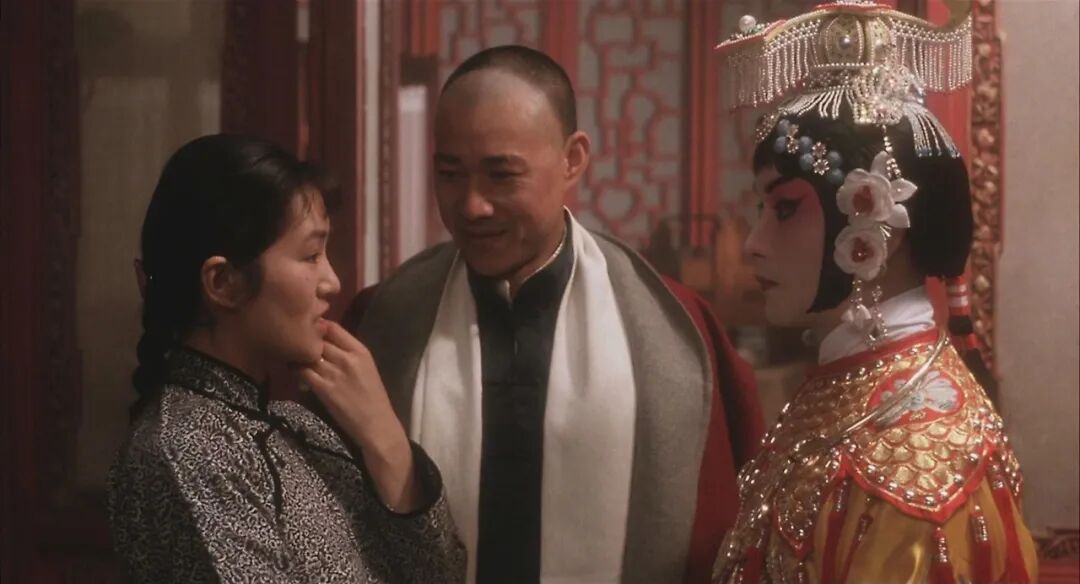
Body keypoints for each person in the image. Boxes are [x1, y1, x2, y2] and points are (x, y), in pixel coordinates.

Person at [339, 45, 764, 584]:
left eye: (501, 175)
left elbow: (730, 537)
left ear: (572, 160)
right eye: (450, 173)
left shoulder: (671, 335)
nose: (472, 205)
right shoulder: (384, 323)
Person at [711, 4, 1037, 583]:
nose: (753, 245)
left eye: (784, 209)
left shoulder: (921, 464)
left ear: (877, 223)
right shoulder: (842, 382)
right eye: (762, 208)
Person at [107, 134, 465, 583]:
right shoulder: (184, 447)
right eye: (311, 255)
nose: (332, 282)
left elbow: (443, 576)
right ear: (223, 282)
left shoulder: (300, 427)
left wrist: (386, 439)